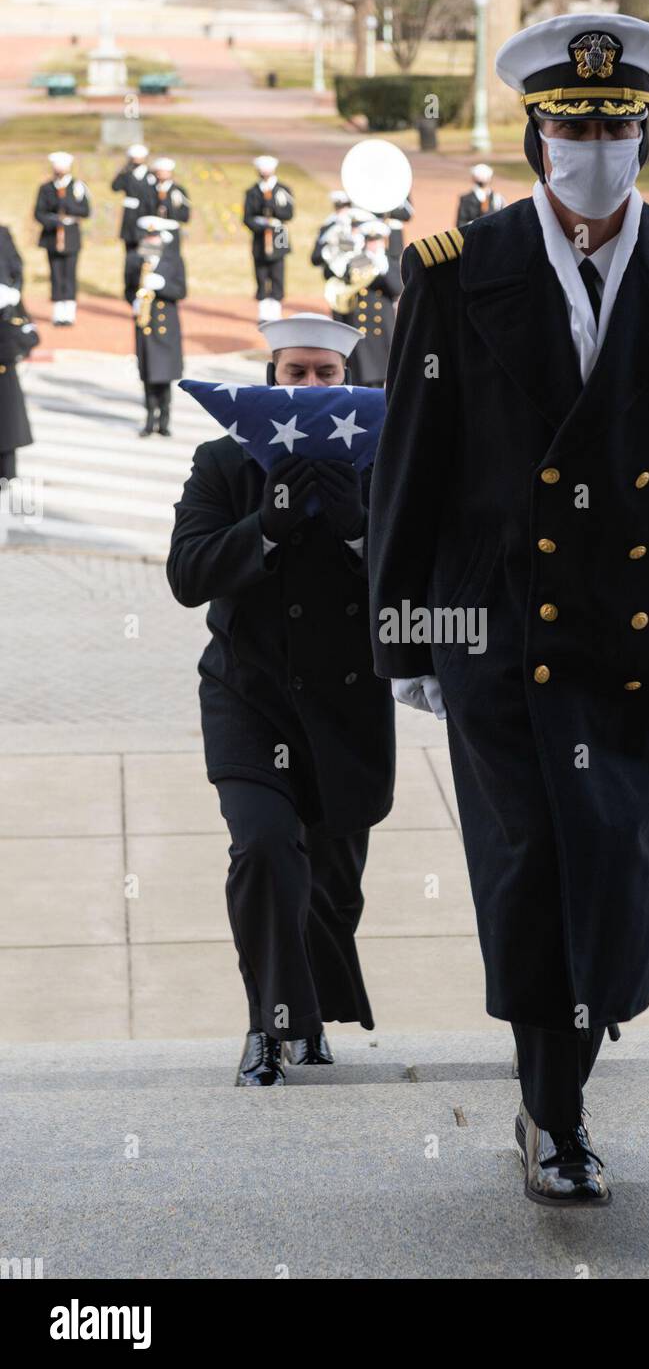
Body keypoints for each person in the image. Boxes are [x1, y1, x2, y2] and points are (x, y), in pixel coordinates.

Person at [368, 12, 649, 1207]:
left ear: (642, 136)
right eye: (571, 125)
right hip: (498, 638)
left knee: (616, 871)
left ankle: (560, 1080)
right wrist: (406, 630)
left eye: (613, 126)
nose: (592, 146)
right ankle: (552, 1114)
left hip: (644, 640)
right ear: (533, 134)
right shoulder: (458, 277)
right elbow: (410, 465)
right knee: (534, 873)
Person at [166, 313, 395, 1086]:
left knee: (330, 885)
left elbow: (421, 584)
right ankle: (270, 1024)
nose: (309, 387)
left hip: (347, 704)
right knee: (265, 850)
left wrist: (363, 533)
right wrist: (263, 527)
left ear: (349, 380)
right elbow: (186, 574)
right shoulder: (223, 461)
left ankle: (309, 1015)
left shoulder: (382, 457)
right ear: (271, 380)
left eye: (325, 375)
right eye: (294, 374)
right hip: (248, 695)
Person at [125, 216, 185, 437]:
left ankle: (165, 420)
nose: (151, 240)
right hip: (145, 323)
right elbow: (127, 288)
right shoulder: (134, 260)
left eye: (155, 236)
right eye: (148, 236)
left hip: (166, 323)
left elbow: (181, 291)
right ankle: (149, 419)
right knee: (148, 374)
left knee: (164, 375)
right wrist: (134, 300)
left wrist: (163, 286)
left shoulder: (174, 260)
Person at [331, 220, 401, 387]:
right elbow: (345, 287)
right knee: (359, 376)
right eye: (370, 241)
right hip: (359, 325)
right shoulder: (356, 261)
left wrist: (381, 268)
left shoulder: (389, 263)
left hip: (382, 328)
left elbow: (396, 288)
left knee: (383, 378)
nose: (373, 245)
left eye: (376, 241)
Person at [34, 151, 90, 326]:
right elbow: (38, 212)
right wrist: (53, 221)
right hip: (52, 236)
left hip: (71, 236)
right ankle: (58, 312)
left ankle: (69, 311)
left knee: (70, 273)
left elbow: (85, 211)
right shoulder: (46, 188)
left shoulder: (78, 186)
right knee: (56, 273)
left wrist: (67, 205)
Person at [243, 154, 294, 323]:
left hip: (279, 233)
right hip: (260, 235)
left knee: (278, 270)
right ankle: (264, 312)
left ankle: (276, 311)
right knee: (261, 272)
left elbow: (289, 213)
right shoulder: (252, 192)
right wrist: (262, 225)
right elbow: (247, 218)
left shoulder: (283, 190)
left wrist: (273, 210)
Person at [0, 284, 38, 481]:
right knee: (7, 431)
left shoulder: (10, 327)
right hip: (7, 380)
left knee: (6, 431)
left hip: (7, 382)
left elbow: (31, 339)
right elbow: (30, 339)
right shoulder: (11, 328)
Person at [111, 143, 155, 262]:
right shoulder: (126, 174)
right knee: (130, 252)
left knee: (147, 251)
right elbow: (115, 187)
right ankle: (131, 279)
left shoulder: (151, 176)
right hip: (130, 217)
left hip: (146, 215)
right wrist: (123, 170)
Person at [147, 157, 191, 228]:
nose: (160, 174)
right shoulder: (149, 189)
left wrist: (169, 207)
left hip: (172, 228)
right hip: (152, 228)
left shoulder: (179, 190)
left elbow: (185, 215)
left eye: (165, 172)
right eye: (159, 172)